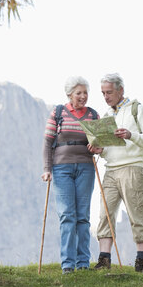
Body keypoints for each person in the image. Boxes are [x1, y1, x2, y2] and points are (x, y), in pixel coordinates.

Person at [88, 73, 143, 272]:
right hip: (111, 169)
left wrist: (130, 135)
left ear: (121, 90)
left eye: (109, 92)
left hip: (133, 168)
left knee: (136, 212)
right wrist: (100, 149)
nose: (106, 97)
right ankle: (104, 259)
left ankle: (140, 260)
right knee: (105, 214)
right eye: (103, 93)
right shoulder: (108, 116)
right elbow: (111, 147)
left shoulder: (137, 110)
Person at [41, 76, 99, 275]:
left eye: (85, 92)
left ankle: (83, 263)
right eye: (79, 93)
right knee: (67, 216)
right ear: (69, 95)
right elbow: (48, 143)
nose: (83, 96)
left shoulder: (93, 115)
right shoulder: (58, 113)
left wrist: (97, 147)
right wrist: (47, 169)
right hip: (61, 168)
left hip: (86, 167)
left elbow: (99, 143)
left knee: (83, 216)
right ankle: (68, 264)